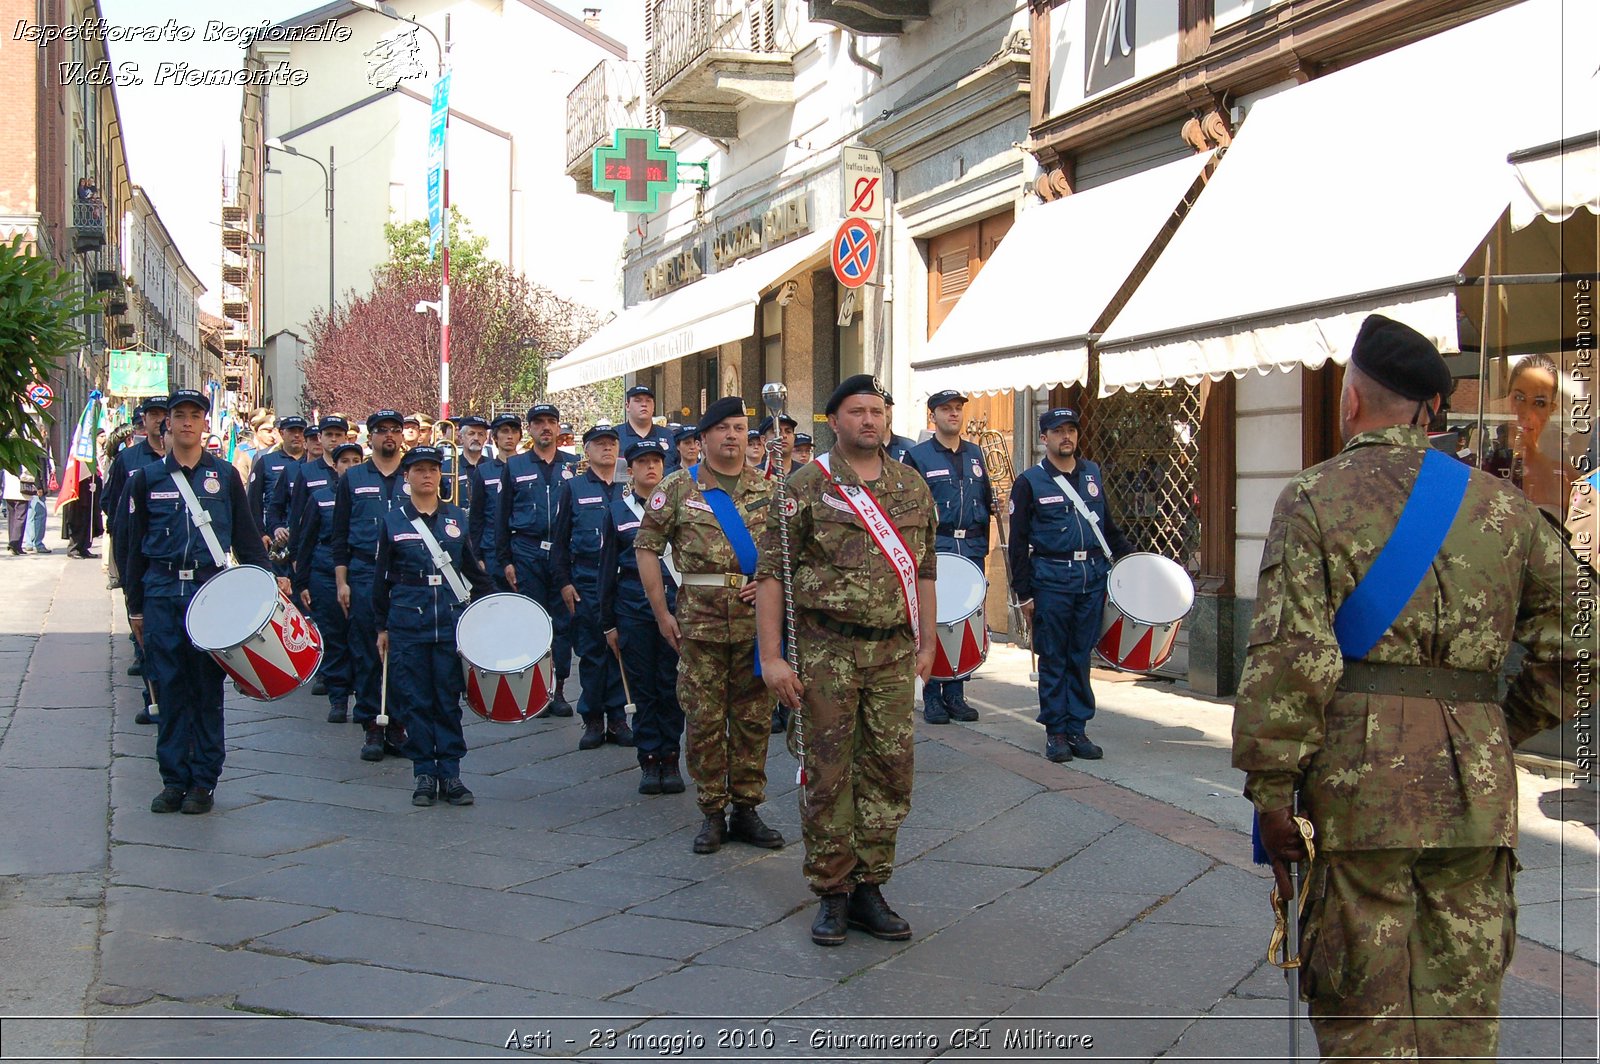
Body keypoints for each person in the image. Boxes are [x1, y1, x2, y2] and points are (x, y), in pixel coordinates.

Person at [1233, 314, 1586, 1063]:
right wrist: (1497, 728)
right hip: (1474, 800)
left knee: (1364, 1009)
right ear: (1429, 410)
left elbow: (1289, 657)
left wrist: (1271, 790)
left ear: (1352, 402)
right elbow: (1581, 642)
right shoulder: (1507, 509)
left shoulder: (1314, 498)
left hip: (1360, 796)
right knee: (1461, 1009)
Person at [755, 373, 937, 947]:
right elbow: (769, 576)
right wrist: (771, 658)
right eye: (856, 411)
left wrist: (929, 642)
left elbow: (926, 570)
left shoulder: (912, 487)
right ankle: (832, 891)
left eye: (877, 411)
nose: (868, 421)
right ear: (834, 422)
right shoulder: (805, 487)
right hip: (825, 651)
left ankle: (870, 886)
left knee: (889, 770)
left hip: (892, 651)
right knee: (829, 772)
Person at [635, 395, 784, 855]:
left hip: (755, 629)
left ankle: (747, 808)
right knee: (703, 721)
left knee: (753, 720)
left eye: (741, 429)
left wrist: (766, 587)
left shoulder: (769, 491)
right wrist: (662, 613)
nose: (733, 436)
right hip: (698, 628)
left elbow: (788, 556)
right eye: (723, 429)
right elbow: (646, 547)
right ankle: (712, 812)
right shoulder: (678, 488)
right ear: (703, 438)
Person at [121, 389, 276, 814]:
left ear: (205, 423)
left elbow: (245, 537)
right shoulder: (146, 479)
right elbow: (132, 549)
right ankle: (174, 779)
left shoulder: (224, 476)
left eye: (195, 415)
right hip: (162, 592)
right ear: (165, 423)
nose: (187, 422)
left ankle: (204, 781)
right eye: (179, 415)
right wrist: (135, 605)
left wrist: (268, 584)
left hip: (210, 595)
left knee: (206, 689)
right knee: (168, 688)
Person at [1008, 407, 1134, 763]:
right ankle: (1056, 732)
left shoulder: (1092, 473)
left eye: (1071, 430)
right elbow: (1018, 543)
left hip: (1090, 579)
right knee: (1054, 657)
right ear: (1043, 438)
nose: (1066, 437)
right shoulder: (1030, 482)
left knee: (1080, 657)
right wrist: (1024, 593)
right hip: (1051, 579)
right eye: (1058, 431)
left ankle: (1078, 728)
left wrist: (1135, 564)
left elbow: (1107, 526)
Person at [373, 445, 495, 807]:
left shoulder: (457, 518)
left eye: (433, 469)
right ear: (406, 477)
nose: (427, 475)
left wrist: (498, 606)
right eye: (419, 470)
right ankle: (424, 772)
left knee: (448, 699)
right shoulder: (393, 520)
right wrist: (381, 627)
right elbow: (381, 580)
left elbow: (473, 570)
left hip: (450, 623)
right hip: (409, 623)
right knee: (415, 700)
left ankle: (452, 773)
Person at [600, 438, 685, 794]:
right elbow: (606, 571)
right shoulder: (617, 512)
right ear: (630, 469)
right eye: (643, 462)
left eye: (656, 461)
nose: (651, 467)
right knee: (642, 687)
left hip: (674, 605)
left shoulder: (680, 507)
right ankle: (649, 758)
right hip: (632, 607)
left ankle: (671, 755)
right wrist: (608, 623)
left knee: (672, 685)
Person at [906, 389, 994, 724]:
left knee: (964, 619)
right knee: (935, 620)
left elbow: (985, 502)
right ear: (933, 416)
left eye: (958, 409)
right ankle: (931, 695)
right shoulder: (919, 456)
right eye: (946, 409)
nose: (954, 414)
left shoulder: (975, 453)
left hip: (969, 547)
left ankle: (956, 693)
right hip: (936, 546)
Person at [333, 409, 410, 761]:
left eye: (395, 430)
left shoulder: (415, 476)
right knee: (367, 651)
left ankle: (398, 724)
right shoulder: (353, 479)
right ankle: (371, 726)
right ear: (371, 437)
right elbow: (339, 535)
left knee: (402, 653)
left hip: (406, 576)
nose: (389, 437)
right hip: (365, 572)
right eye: (382, 431)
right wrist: (342, 581)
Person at [495, 403, 578, 716]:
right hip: (527, 550)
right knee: (532, 623)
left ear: (558, 428)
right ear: (528, 430)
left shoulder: (572, 465)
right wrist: (505, 559)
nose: (545, 427)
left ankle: (557, 689)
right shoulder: (515, 466)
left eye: (551, 422)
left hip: (562, 552)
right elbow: (501, 516)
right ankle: (534, 691)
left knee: (563, 622)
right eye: (539, 422)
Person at [551, 423, 630, 750]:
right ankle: (593, 718)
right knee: (593, 652)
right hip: (586, 580)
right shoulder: (575, 488)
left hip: (623, 582)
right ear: (587, 451)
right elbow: (559, 542)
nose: (607, 448)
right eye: (599, 444)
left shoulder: (630, 488)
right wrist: (565, 583)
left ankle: (620, 717)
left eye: (611, 443)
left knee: (620, 651)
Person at [291, 441, 363, 724]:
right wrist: (302, 582)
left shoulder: (367, 497)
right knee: (334, 638)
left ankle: (363, 698)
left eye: (356, 461)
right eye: (344, 461)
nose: (350, 466)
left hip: (358, 574)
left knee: (360, 639)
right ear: (335, 466)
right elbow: (304, 540)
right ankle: (338, 698)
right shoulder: (321, 497)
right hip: (324, 573)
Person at [248, 415, 308, 570]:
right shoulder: (266, 461)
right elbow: (253, 502)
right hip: (275, 535)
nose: (297, 435)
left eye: (300, 431)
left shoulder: (311, 462)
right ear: (282, 433)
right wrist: (261, 533)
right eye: (292, 431)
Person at [470, 413, 521, 590]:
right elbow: (476, 517)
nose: (509, 436)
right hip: (491, 549)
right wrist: (477, 556)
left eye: (514, 431)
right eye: (504, 431)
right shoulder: (484, 471)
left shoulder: (527, 468)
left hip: (521, 548)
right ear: (495, 437)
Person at [618, 384, 678, 473]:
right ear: (627, 406)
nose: (644, 404)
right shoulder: (615, 436)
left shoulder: (670, 436)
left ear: (653, 406)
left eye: (648, 401)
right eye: (638, 401)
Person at [757, 413, 799, 478]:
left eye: (788, 431)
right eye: (777, 432)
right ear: (764, 439)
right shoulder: (755, 474)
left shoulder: (806, 473)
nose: (784, 436)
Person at [882, 393, 918, 464]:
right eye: (877, 407)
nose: (883, 412)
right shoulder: (861, 446)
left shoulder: (910, 446)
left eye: (887, 407)